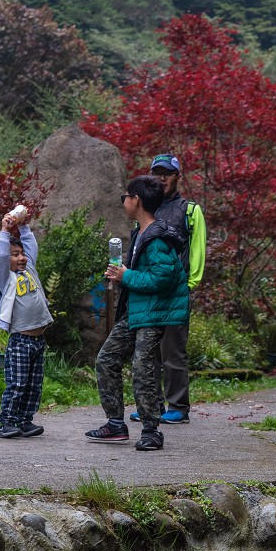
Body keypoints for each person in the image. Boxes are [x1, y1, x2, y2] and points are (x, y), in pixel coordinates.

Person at [85, 175, 189, 451]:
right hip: (136, 311)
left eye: (125, 197)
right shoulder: (140, 233)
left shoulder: (157, 238)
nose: (124, 202)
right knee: (106, 359)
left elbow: (162, 278)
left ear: (137, 201)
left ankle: (152, 431)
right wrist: (123, 276)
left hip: (153, 313)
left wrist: (127, 276)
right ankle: (116, 425)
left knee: (142, 369)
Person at [129, 153, 206, 426]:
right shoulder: (146, 208)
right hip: (149, 291)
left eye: (167, 173)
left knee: (173, 352)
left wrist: (190, 284)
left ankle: (178, 407)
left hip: (176, 292)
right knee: (150, 352)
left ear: (177, 176)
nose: (162, 178)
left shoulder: (189, 210)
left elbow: (197, 249)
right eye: (157, 173)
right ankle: (152, 406)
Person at [0, 210, 53, 438]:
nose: (21, 258)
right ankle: (6, 422)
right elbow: (1, 257)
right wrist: (4, 231)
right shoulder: (4, 279)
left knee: (34, 386)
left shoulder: (29, 269)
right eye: (15, 255)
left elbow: (31, 247)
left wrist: (24, 226)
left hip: (38, 341)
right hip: (20, 342)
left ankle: (25, 421)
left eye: (21, 253)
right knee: (16, 384)